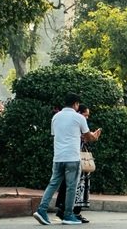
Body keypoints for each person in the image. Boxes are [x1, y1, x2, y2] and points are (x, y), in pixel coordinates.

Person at [33, 93, 101, 226]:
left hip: (58, 157)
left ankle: (41, 210)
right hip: (72, 157)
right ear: (76, 104)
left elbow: (56, 135)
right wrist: (95, 136)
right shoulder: (79, 117)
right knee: (71, 187)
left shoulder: (56, 117)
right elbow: (88, 137)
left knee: (53, 184)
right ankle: (68, 215)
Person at [55, 105, 93, 223]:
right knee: (75, 186)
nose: (86, 118)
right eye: (85, 115)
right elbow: (85, 137)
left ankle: (67, 210)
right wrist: (92, 137)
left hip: (67, 157)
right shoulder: (77, 122)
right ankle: (72, 212)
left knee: (71, 185)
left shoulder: (69, 121)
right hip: (75, 158)